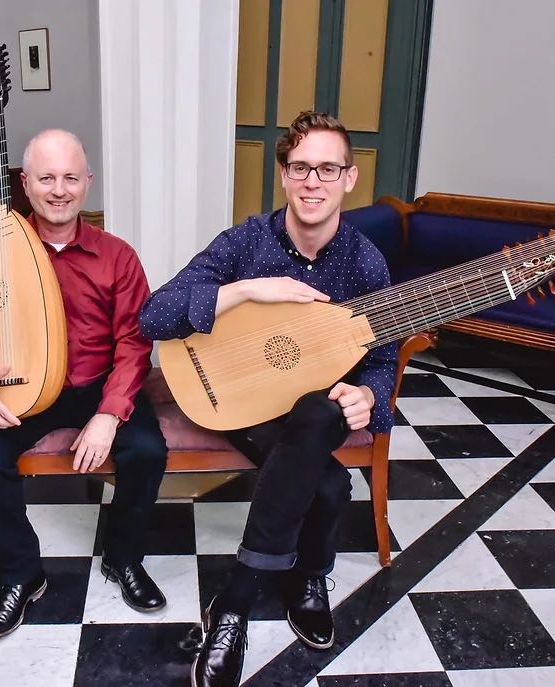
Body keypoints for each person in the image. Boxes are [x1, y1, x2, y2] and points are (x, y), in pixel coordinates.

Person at [139, 112, 398, 686]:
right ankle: (308, 574)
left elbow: (382, 360)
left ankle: (234, 601)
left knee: (317, 410)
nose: (314, 181)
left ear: (349, 180)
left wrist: (367, 396)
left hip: (313, 414)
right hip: (234, 405)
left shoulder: (365, 264)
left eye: (328, 169)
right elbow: (153, 315)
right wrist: (246, 290)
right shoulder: (246, 242)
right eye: (301, 167)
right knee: (329, 483)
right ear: (283, 175)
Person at [0, 129, 168, 640]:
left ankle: (123, 558)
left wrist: (108, 412)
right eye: (47, 177)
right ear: (26, 183)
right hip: (24, 392)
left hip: (96, 386)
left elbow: (134, 341)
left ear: (87, 184)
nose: (59, 189)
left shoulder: (117, 256)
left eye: (71, 178)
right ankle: (20, 574)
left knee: (145, 449)